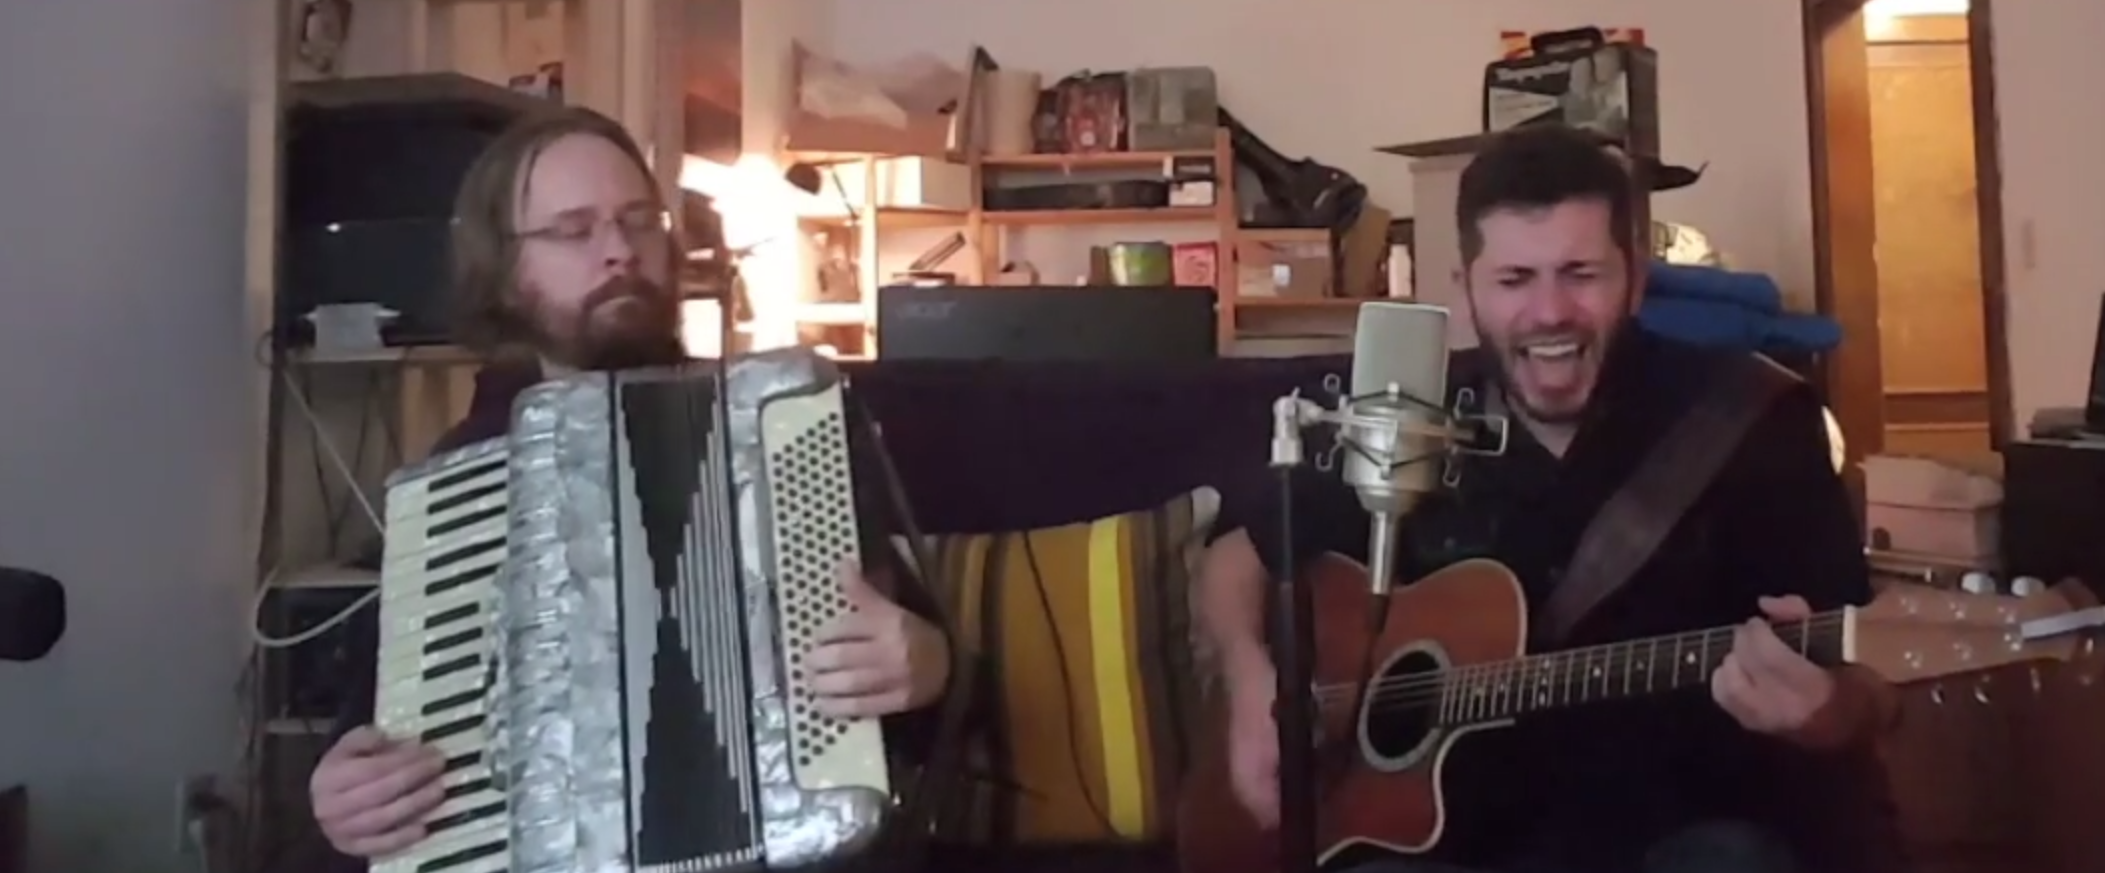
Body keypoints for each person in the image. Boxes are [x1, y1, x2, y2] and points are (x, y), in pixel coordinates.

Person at [1195, 125, 1903, 873]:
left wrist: (1827, 712)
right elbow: (1233, 559)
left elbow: (1871, 683)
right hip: (1432, 848)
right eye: (1514, 279)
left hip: (1669, 841)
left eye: (1580, 273)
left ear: (1633, 280)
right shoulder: (1400, 412)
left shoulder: (1750, 420)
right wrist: (1250, 684)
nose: (1549, 312)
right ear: (1465, 289)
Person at [306, 107, 955, 863]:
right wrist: (340, 793)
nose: (619, 251)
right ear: (506, 273)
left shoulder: (782, 429)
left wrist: (927, 662)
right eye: (574, 230)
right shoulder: (459, 494)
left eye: (638, 221)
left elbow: (923, 693)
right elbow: (368, 737)